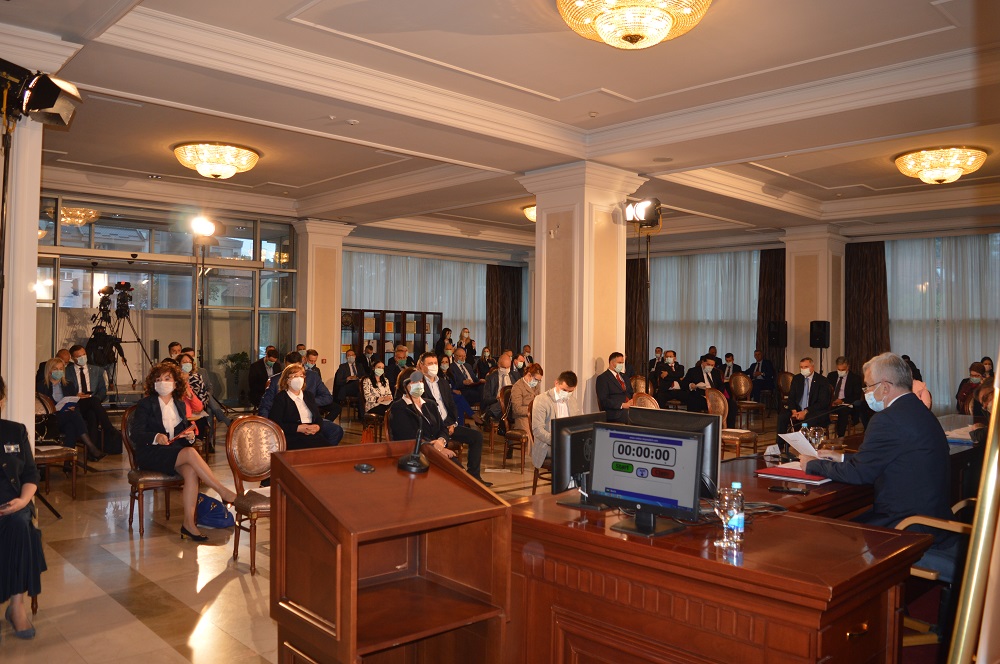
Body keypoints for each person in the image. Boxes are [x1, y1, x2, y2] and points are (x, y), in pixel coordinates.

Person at [799, 353, 953, 537]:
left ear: (885, 387)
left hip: (907, 524)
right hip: (933, 518)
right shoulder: (920, 410)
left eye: (869, 386)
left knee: (828, 533)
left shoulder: (887, 419)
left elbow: (859, 473)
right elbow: (888, 458)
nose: (866, 393)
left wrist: (812, 464)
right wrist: (842, 457)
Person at [129, 363, 237, 542]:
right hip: (151, 453)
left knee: (191, 471)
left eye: (167, 378)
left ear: (175, 382)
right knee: (190, 453)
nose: (162, 382)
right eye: (158, 379)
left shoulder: (179, 404)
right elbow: (136, 434)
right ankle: (223, 492)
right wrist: (156, 436)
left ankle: (188, 524)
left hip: (172, 452)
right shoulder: (146, 404)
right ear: (153, 383)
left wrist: (189, 436)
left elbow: (182, 433)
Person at [0, 375, 46, 640]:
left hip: (14, 504)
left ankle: (16, 606)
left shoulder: (15, 431)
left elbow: (31, 473)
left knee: (21, 525)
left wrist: (23, 500)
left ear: (1, 400)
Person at [414, 353, 489, 485]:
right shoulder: (418, 384)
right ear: (421, 365)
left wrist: (453, 423)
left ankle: (474, 476)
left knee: (477, 437)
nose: (434, 366)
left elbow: (451, 405)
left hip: (449, 425)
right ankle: (459, 477)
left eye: (435, 363)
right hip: (433, 428)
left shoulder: (443, 383)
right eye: (430, 364)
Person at [36, 357, 106, 461]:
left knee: (71, 426)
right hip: (50, 420)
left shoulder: (69, 385)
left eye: (61, 369)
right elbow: (40, 406)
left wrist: (73, 407)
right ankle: (91, 447)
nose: (59, 371)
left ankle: (68, 463)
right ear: (49, 370)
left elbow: (75, 403)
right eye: (55, 369)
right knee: (73, 415)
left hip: (66, 418)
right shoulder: (41, 386)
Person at [266, 364, 344, 449]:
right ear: (287, 380)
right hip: (293, 436)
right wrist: (298, 428)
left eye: (301, 376)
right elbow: (276, 423)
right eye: (295, 376)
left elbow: (318, 418)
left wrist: (317, 427)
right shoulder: (281, 398)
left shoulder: (308, 395)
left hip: (312, 433)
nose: (299, 379)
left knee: (330, 451)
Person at [388, 371, 458, 463]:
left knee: (460, 469)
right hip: (414, 454)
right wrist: (436, 449)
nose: (419, 384)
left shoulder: (431, 404)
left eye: (421, 381)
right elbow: (408, 436)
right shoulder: (399, 407)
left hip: (436, 449)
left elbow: (443, 428)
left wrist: (441, 441)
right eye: (414, 382)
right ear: (404, 385)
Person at [66, 344, 122, 454]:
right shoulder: (67, 372)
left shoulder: (97, 370)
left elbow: (102, 391)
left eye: (84, 354)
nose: (82, 357)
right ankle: (108, 428)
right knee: (93, 403)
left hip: (93, 403)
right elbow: (65, 391)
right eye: (79, 356)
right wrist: (76, 395)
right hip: (77, 404)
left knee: (92, 414)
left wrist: (95, 398)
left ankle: (92, 453)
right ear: (73, 358)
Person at [258, 351, 336, 420]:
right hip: (285, 419)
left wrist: (306, 402)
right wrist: (267, 425)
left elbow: (327, 397)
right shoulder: (275, 380)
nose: (294, 373)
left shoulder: (313, 377)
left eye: (296, 369)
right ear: (285, 365)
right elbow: (265, 406)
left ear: (301, 364)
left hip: (309, 417)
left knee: (335, 429)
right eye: (290, 370)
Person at [531, 371, 582, 469]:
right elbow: (537, 430)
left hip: (567, 442)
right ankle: (567, 478)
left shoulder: (572, 401)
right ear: (556, 383)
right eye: (564, 390)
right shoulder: (542, 400)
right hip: (547, 444)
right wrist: (557, 440)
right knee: (570, 454)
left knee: (588, 451)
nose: (567, 394)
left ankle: (577, 478)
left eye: (570, 391)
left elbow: (577, 424)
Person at [776, 357, 831, 435]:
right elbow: (791, 397)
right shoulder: (797, 379)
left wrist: (805, 412)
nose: (803, 369)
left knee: (809, 419)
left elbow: (823, 402)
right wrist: (794, 411)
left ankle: (805, 441)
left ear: (812, 367)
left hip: (813, 410)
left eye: (806, 367)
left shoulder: (822, 380)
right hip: (797, 409)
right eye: (801, 367)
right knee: (782, 416)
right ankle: (781, 442)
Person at [828, 356, 863, 437]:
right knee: (820, 408)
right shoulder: (831, 376)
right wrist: (831, 401)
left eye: (843, 369)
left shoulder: (855, 378)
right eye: (839, 369)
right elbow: (826, 391)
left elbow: (856, 396)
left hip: (846, 404)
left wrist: (842, 401)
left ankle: (840, 436)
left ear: (848, 367)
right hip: (832, 404)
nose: (840, 371)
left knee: (843, 411)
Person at [596, 352, 633, 423]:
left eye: (622, 363)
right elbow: (604, 400)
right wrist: (622, 405)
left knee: (644, 415)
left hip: (629, 408)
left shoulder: (625, 377)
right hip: (615, 412)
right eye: (619, 363)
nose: (621, 365)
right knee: (632, 417)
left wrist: (632, 400)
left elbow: (630, 392)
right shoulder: (603, 378)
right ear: (611, 363)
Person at [481, 353, 514, 425]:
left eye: (508, 367)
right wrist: (496, 398)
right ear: (499, 365)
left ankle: (489, 414)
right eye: (504, 367)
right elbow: (486, 398)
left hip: (513, 403)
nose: (506, 370)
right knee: (503, 400)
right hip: (496, 403)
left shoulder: (515, 375)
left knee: (508, 400)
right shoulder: (491, 378)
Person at [510, 363, 542, 433]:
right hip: (522, 418)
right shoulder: (517, 387)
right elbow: (517, 409)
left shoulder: (536, 386)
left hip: (534, 416)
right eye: (536, 380)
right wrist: (532, 409)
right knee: (531, 434)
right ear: (529, 375)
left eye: (539, 381)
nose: (537, 382)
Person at [333, 349, 363, 416]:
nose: (351, 357)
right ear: (346, 357)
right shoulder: (342, 367)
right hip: (347, 388)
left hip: (358, 388)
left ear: (355, 356)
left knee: (361, 394)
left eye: (352, 355)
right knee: (358, 386)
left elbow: (364, 376)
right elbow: (338, 381)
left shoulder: (359, 366)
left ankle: (362, 416)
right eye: (349, 355)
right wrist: (347, 379)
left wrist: (357, 377)